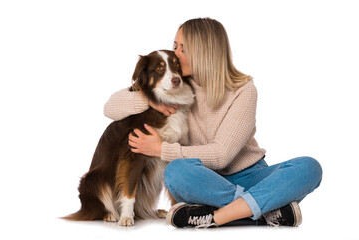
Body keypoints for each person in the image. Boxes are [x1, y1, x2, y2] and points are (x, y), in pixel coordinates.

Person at [104, 18, 322, 228]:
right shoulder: (175, 84)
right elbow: (110, 107)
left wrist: (162, 149)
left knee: (309, 167)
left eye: (183, 48)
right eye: (175, 45)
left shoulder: (244, 91)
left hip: (251, 175)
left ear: (204, 52)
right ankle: (264, 211)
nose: (175, 54)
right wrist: (149, 99)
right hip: (202, 181)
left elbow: (221, 156)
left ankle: (216, 216)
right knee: (176, 172)